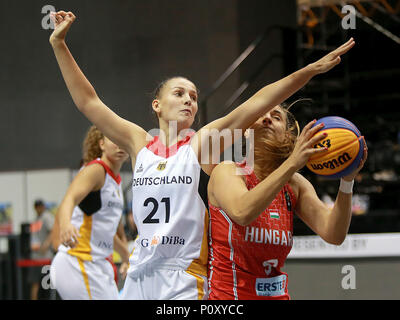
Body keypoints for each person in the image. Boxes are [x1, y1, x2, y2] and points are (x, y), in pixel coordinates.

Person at [48, 10, 354, 299]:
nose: (189, 100)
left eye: (194, 97)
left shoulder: (200, 143)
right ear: (156, 105)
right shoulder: (138, 142)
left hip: (182, 273)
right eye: (179, 93)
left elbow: (260, 101)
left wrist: (310, 70)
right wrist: (59, 44)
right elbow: (88, 102)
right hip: (141, 271)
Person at [207, 104, 368, 300]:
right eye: (260, 114)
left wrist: (347, 181)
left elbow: (334, 234)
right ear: (246, 133)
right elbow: (242, 212)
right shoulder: (227, 170)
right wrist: (293, 163)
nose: (267, 119)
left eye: (276, 117)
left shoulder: (296, 185)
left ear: (287, 135)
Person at [49, 126, 130, 300]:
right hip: (77, 261)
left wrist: (126, 256)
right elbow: (68, 199)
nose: (120, 144)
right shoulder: (96, 170)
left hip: (96, 264)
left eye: (123, 139)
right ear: (102, 144)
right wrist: (65, 224)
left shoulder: (116, 181)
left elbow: (104, 231)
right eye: (113, 139)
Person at [28, 199, 55, 300]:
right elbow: (35, 236)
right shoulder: (36, 219)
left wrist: (46, 244)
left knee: (47, 285)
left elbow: (53, 231)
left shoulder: (47, 217)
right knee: (35, 283)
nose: (39, 209)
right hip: (36, 257)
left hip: (45, 257)